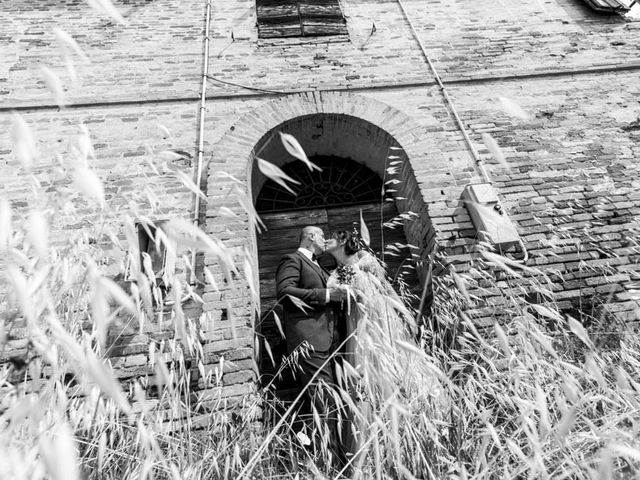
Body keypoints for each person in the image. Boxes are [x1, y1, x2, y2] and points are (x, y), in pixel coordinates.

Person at [324, 225, 442, 473]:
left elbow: (386, 288)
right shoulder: (333, 276)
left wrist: (406, 313)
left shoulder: (366, 260)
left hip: (385, 321)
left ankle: (420, 423)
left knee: (396, 366)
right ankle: (379, 444)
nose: (326, 241)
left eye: (331, 237)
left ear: (343, 240)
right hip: (360, 328)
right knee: (367, 377)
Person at [275, 225, 348, 467]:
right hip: (309, 342)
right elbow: (284, 291)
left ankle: (337, 459)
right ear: (311, 236)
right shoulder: (292, 259)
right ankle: (333, 466)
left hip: (332, 342)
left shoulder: (320, 265)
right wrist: (326, 295)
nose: (326, 239)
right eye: (322, 235)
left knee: (334, 401)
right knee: (325, 402)